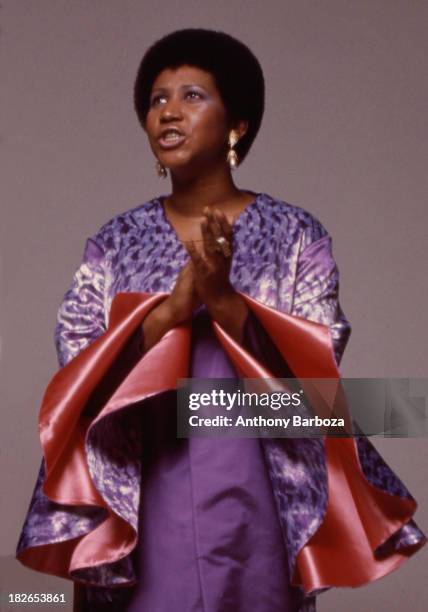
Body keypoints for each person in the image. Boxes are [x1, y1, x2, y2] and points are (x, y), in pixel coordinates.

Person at [16, 28, 426, 612]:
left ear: (237, 126)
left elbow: (321, 374)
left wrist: (223, 299)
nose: (169, 112)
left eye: (192, 96)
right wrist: (174, 312)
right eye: (157, 100)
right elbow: (77, 368)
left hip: (256, 481)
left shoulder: (293, 234)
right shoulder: (116, 241)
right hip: (142, 481)